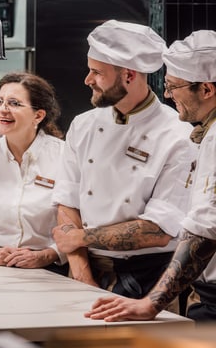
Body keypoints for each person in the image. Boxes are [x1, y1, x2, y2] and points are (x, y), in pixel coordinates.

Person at [52, 20, 195, 303]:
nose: (87, 80)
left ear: (129, 75)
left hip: (149, 280)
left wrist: (80, 238)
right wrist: (83, 277)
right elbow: (67, 200)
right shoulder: (83, 125)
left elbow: (157, 231)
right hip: (84, 269)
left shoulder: (179, 135)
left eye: (96, 72)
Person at [87, 30, 216, 322]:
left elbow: (206, 230)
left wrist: (151, 304)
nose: (168, 95)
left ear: (206, 90)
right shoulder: (206, 134)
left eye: (174, 87)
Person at [0, 72, 67, 272]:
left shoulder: (65, 157)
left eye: (14, 103)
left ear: (38, 115)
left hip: (50, 270)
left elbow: (80, 224)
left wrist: (47, 255)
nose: (2, 110)